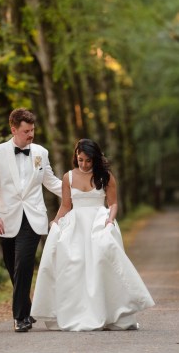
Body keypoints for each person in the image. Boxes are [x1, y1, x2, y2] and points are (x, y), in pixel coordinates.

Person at [30, 138, 155, 331]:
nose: (84, 164)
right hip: (76, 225)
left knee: (100, 263)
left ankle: (108, 313)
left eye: (88, 160)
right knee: (75, 266)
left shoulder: (105, 176)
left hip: (99, 221)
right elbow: (65, 205)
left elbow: (113, 203)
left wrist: (110, 220)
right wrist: (56, 221)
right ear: (76, 157)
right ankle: (76, 312)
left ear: (95, 159)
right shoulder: (68, 177)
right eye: (81, 160)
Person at [0, 108, 62, 333]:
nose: (31, 135)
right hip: (6, 218)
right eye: (26, 131)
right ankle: (26, 307)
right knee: (12, 267)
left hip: (33, 217)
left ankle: (20, 317)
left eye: (32, 130)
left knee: (24, 263)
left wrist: (75, 192)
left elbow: (51, 181)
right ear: (13, 129)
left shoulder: (40, 152)